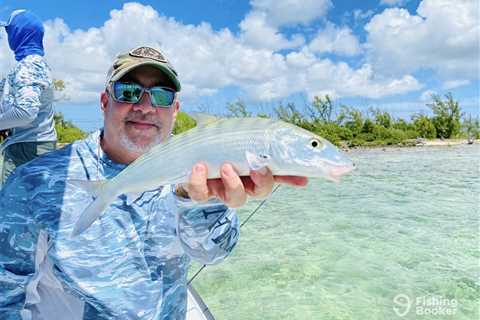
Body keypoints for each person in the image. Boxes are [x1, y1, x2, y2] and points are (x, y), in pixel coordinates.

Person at [0, 46, 308, 319]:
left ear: (175, 111)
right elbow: (6, 289)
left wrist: (200, 200)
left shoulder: (200, 168)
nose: (146, 107)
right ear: (105, 101)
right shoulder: (34, 182)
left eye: (161, 96)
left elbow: (214, 254)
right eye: (129, 92)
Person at [0, 9, 57, 185]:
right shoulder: (36, 65)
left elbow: (25, 112)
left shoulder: (29, 67)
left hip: (27, 148)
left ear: (18, 34)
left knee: (10, 208)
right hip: (33, 144)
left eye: (9, 32)